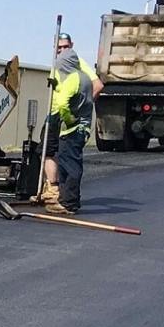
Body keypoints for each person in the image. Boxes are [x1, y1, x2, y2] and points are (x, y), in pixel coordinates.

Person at [41, 33, 103, 214]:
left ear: (71, 46)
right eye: (59, 47)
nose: (62, 51)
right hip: (55, 114)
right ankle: (55, 191)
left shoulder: (75, 64)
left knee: (69, 158)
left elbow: (97, 85)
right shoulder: (58, 64)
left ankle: (67, 200)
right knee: (48, 151)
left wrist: (77, 111)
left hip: (68, 118)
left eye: (65, 47)